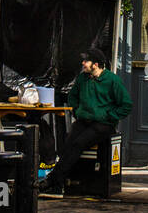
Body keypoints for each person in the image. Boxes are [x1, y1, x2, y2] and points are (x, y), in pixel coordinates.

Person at [40, 48, 131, 194]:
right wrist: (76, 111)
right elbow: (73, 96)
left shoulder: (112, 80)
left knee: (78, 144)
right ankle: (59, 184)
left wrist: (109, 116)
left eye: (86, 61)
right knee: (67, 145)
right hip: (84, 121)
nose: (83, 63)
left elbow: (126, 105)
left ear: (95, 64)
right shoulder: (83, 78)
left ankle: (52, 181)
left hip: (103, 125)